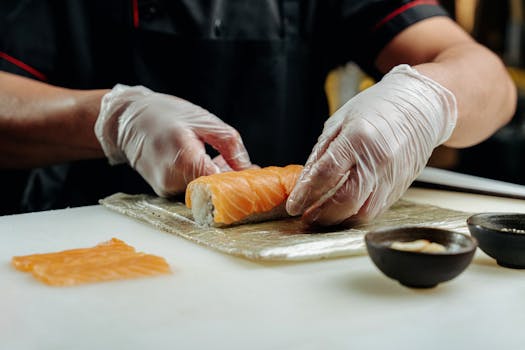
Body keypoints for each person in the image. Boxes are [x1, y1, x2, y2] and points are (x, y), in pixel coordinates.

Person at [0, 0, 516, 226]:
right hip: (89, 236)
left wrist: (422, 101)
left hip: (292, 239)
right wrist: (112, 118)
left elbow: (489, 79)